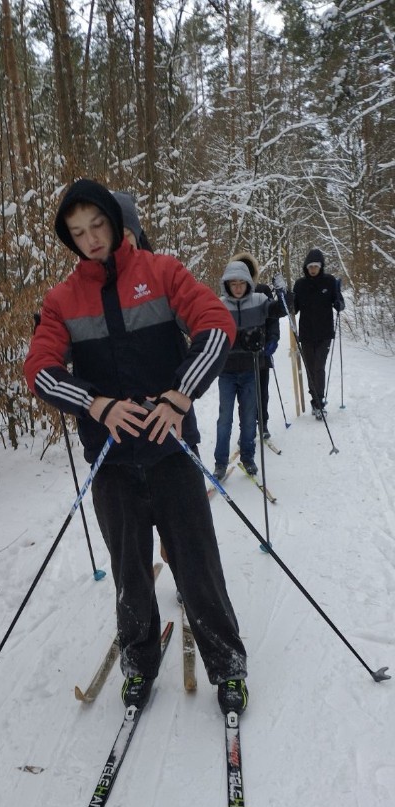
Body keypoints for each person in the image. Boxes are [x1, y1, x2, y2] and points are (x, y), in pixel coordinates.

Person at [24, 178, 249, 717]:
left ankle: (229, 666)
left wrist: (179, 396)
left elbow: (216, 327)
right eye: (77, 232)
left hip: (170, 452)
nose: (91, 239)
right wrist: (96, 405)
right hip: (113, 464)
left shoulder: (162, 271)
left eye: (98, 225)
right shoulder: (62, 300)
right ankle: (139, 664)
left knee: (197, 565)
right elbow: (41, 371)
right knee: (129, 571)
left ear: (117, 222)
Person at [214, 260, 289, 479]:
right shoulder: (219, 305)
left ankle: (248, 458)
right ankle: (220, 462)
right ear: (226, 285)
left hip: (250, 370)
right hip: (226, 372)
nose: (237, 288)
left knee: (249, 418)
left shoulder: (259, 300)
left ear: (248, 283)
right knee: (224, 419)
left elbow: (281, 310)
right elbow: (205, 330)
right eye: (233, 284)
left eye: (241, 283)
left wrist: (283, 292)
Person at [231, 250, 280, 439]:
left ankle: (263, 423)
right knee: (244, 395)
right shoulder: (232, 293)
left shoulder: (262, 290)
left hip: (261, 349)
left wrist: (273, 339)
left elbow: (273, 318)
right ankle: (247, 428)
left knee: (262, 389)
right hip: (239, 355)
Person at [293, 248, 345, 418]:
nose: (313, 269)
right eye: (310, 266)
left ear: (321, 266)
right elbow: (294, 308)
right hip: (307, 333)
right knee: (310, 368)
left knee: (319, 367)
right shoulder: (300, 285)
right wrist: (287, 299)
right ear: (306, 267)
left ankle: (319, 402)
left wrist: (338, 303)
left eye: (316, 266)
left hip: (324, 332)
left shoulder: (329, 281)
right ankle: (314, 401)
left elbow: (339, 302)